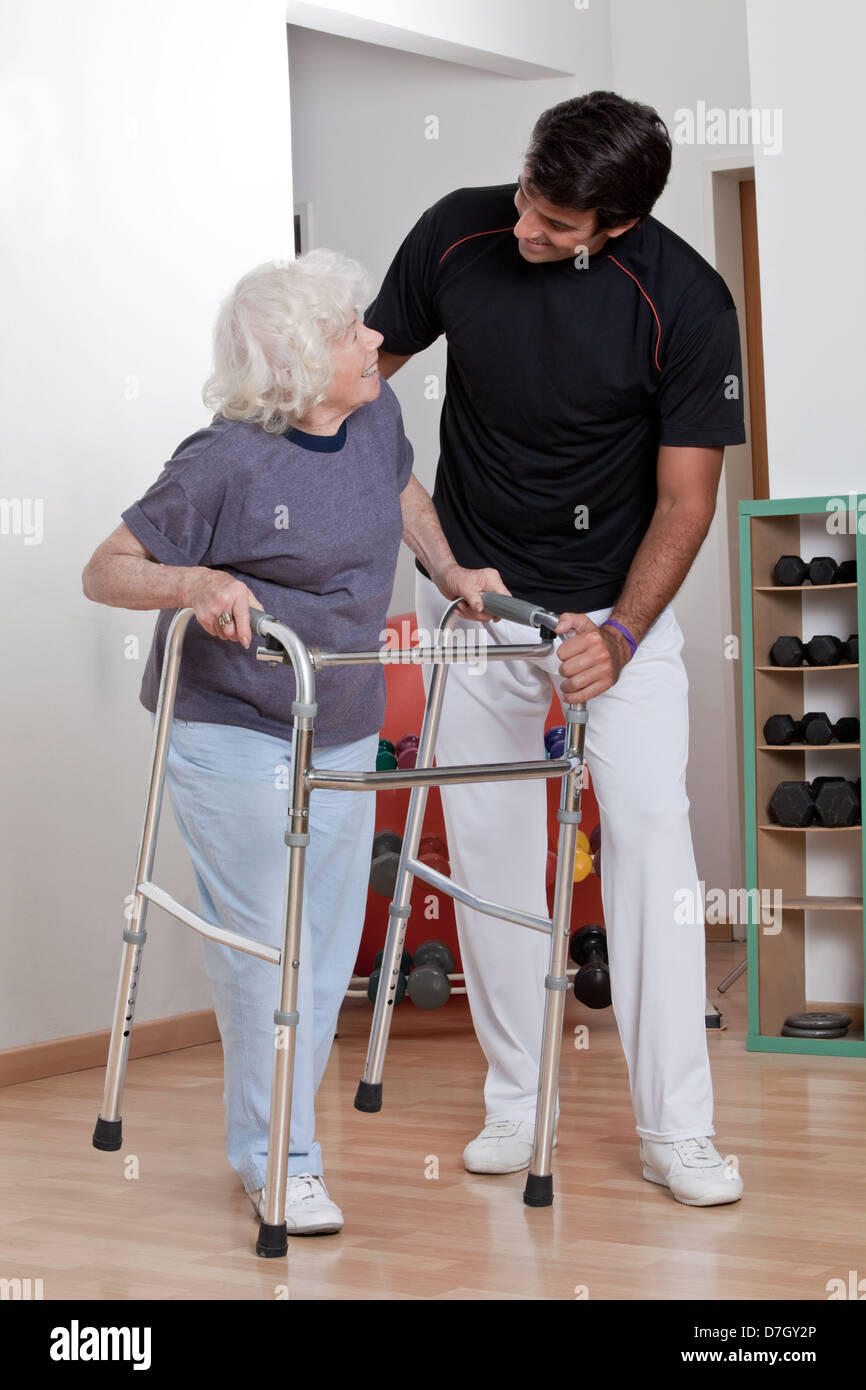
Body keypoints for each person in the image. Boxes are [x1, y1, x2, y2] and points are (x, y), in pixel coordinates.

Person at [364, 91, 747, 1206]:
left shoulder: (682, 298)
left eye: (558, 222)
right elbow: (350, 390)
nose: (528, 226)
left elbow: (684, 500)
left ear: (615, 225)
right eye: (529, 193)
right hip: (483, 607)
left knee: (647, 844)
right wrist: (435, 558)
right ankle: (512, 1096)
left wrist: (620, 636)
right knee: (486, 849)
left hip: (615, 619)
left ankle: (677, 1128)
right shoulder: (456, 231)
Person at [82, 249, 507, 1233]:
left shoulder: (375, 415)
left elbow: (399, 492)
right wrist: (195, 583)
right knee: (269, 946)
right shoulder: (222, 459)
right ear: (289, 362)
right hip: (230, 725)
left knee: (320, 950)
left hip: (341, 716)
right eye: (348, 330)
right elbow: (107, 569)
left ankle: (277, 1143)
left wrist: (447, 568)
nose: (373, 339)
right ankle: (280, 1159)